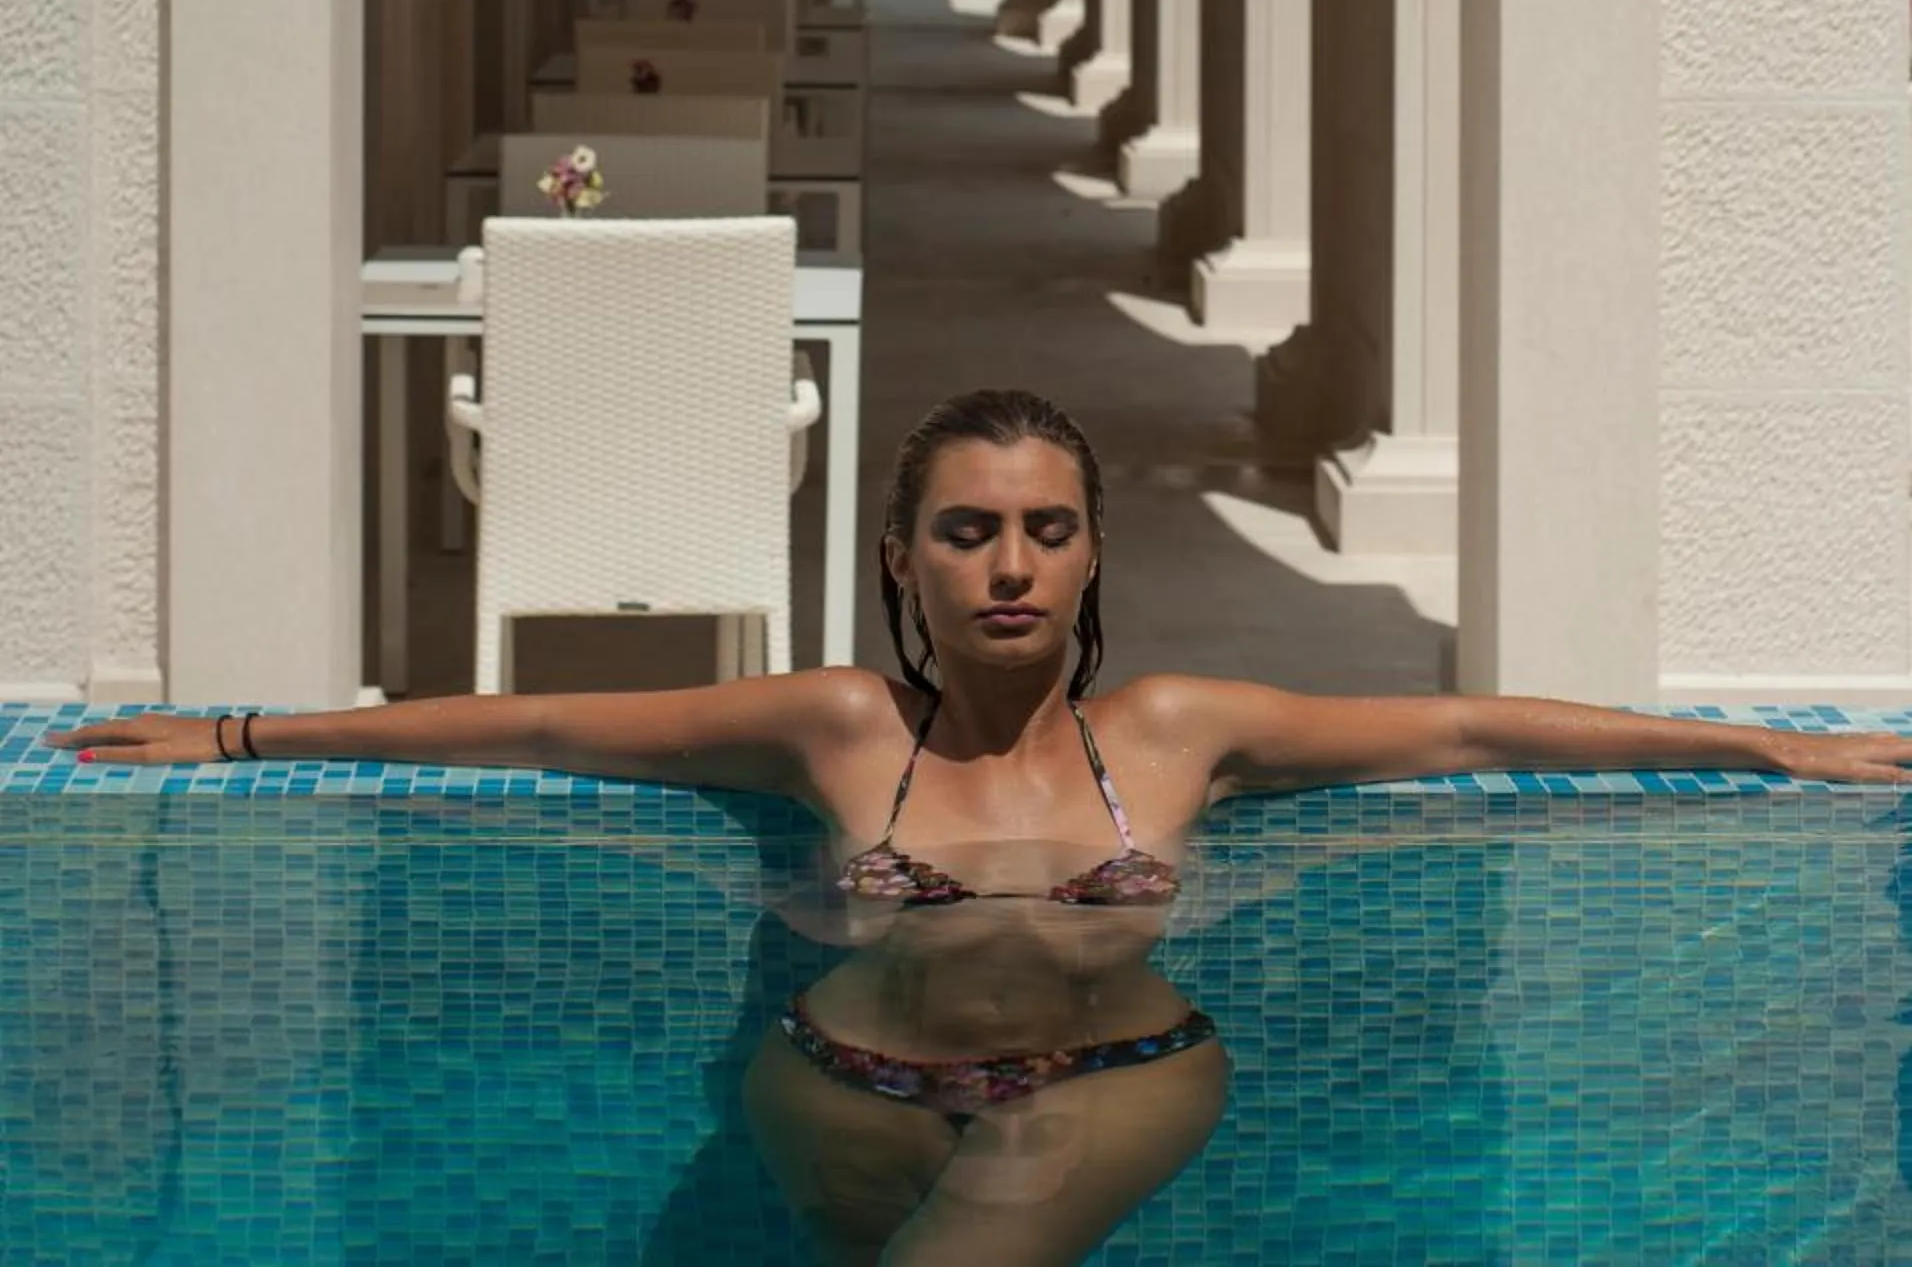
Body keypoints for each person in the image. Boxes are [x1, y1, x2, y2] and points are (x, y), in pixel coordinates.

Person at [44, 385, 1912, 1266]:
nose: (1009, 563)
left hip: (1109, 1083)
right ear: (904, 561)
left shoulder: (1178, 734)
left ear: (1091, 555)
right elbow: (540, 722)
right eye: (967, 531)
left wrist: (1760, 748)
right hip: (830, 1093)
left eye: (1045, 529)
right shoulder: (834, 724)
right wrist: (237, 732)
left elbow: (1468, 724)